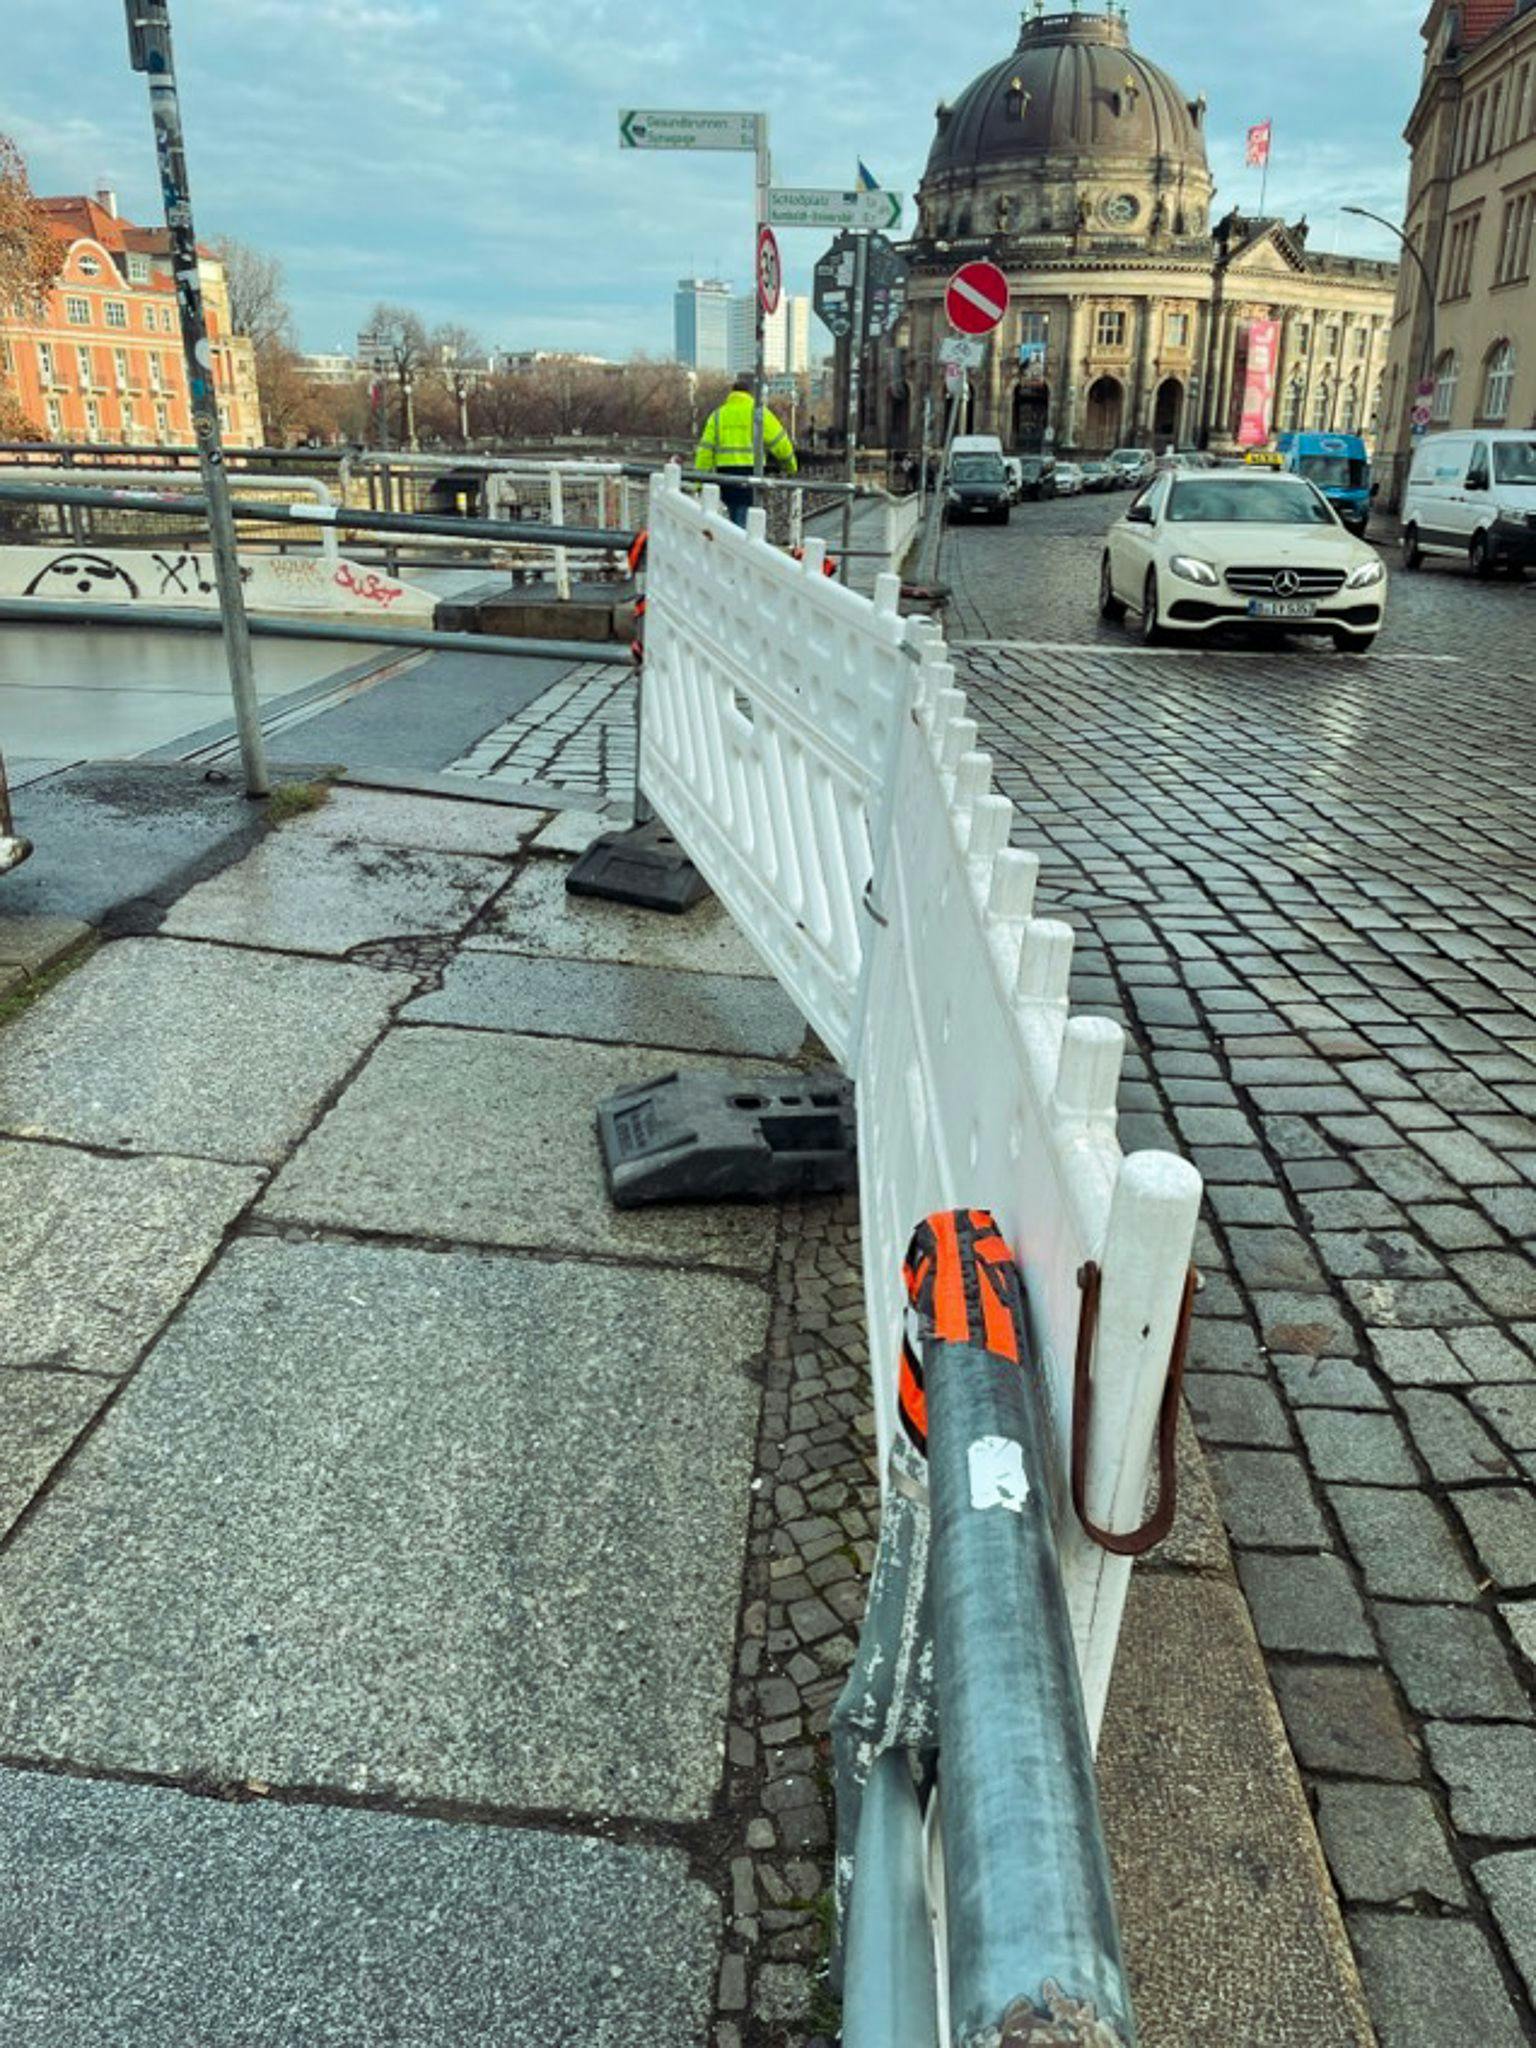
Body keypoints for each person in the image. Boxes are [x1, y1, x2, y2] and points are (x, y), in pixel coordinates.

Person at [694, 373, 797, 528]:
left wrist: (698, 481)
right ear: (749, 394)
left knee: (734, 513)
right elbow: (780, 443)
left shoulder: (718, 415)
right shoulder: (759, 414)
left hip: (726, 476)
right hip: (752, 474)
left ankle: (735, 543)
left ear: (731, 394)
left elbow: (705, 451)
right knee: (746, 518)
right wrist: (790, 466)